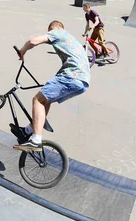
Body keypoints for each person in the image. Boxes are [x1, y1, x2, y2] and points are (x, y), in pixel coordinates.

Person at [12, 21, 90, 151]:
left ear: (54, 28)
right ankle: (27, 131)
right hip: (83, 82)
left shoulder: (58, 32)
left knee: (37, 100)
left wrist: (22, 51)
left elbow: (33, 41)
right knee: (45, 100)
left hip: (71, 76)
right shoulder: (72, 39)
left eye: (49, 30)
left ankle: (36, 140)